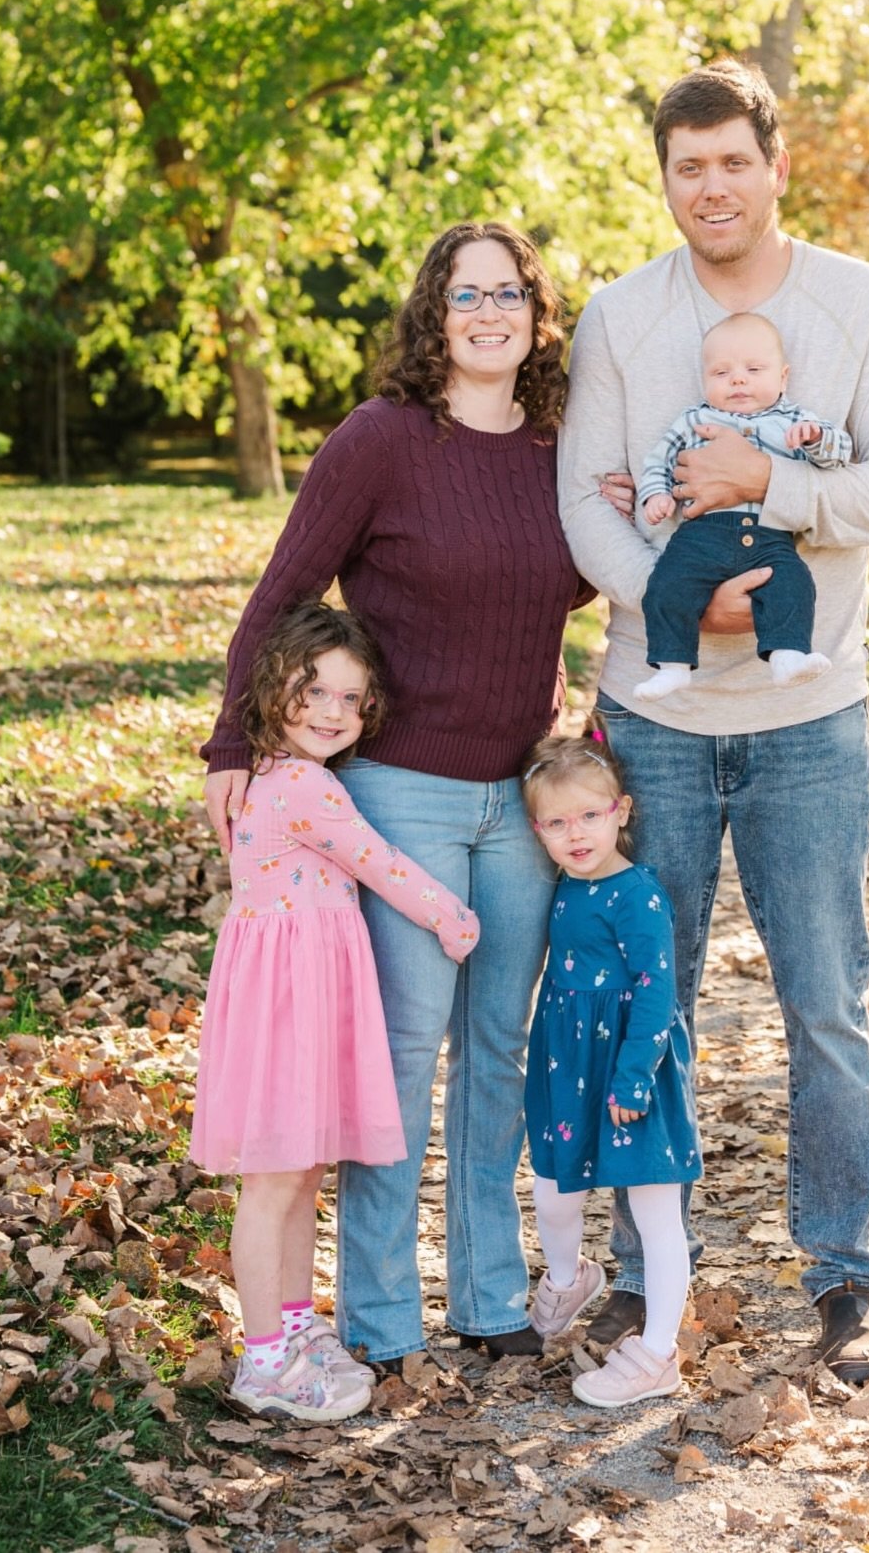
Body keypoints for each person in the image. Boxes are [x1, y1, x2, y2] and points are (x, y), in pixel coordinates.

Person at [558, 58, 869, 1382]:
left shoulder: (857, 302)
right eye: (686, 166)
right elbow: (586, 505)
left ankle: (845, 1282)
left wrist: (769, 480)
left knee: (825, 1005)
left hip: (811, 712)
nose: (710, 185)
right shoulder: (617, 316)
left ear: (777, 165)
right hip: (651, 715)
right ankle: (639, 1272)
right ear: (665, 180)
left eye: (733, 160)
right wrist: (683, 605)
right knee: (634, 1002)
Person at [202, 222, 591, 1370]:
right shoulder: (379, 441)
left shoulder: (560, 448)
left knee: (499, 1054)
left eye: (511, 294)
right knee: (401, 1057)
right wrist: (233, 738)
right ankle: (377, 1319)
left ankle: (487, 1296)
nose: (489, 313)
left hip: (517, 793)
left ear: (536, 314)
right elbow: (283, 589)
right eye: (467, 294)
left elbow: (582, 580)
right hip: (397, 794)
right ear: (435, 312)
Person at [191, 601, 479, 1421]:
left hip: (298, 991)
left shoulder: (268, 778)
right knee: (277, 1183)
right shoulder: (303, 787)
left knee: (299, 1172)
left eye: (350, 700)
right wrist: (451, 918)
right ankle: (263, 1361)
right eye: (311, 689)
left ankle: (293, 1325)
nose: (331, 711)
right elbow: (380, 863)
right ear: (269, 686)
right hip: (292, 1000)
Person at [519, 728, 701, 1407]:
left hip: (633, 1070)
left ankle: (657, 1352)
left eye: (590, 815)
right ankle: (568, 1278)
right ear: (538, 830)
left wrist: (631, 1077)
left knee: (654, 1210)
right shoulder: (563, 888)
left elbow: (658, 990)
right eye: (558, 823)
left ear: (621, 811)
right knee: (552, 1187)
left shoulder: (638, 895)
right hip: (570, 1065)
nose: (576, 834)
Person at [634, 310, 850, 699]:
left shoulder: (795, 421)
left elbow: (840, 457)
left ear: (783, 377)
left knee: (794, 583)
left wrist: (816, 438)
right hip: (701, 533)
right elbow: (658, 462)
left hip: (770, 535)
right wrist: (656, 495)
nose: (737, 379)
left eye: (754, 369)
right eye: (721, 373)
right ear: (704, 381)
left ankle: (788, 656)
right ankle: (672, 664)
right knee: (667, 584)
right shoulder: (693, 420)